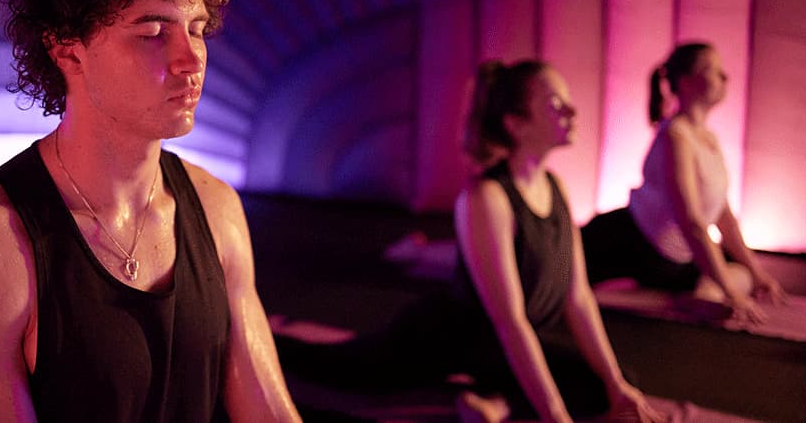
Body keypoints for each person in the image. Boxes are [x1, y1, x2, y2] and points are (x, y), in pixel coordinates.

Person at [0, 0, 301, 423]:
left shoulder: (217, 208)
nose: (191, 61)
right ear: (68, 50)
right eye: (153, 32)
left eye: (197, 28)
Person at [276, 61, 663, 423]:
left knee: (611, 383)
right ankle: (268, 337)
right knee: (334, 367)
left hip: (502, 345)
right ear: (516, 124)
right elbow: (509, 321)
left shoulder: (556, 187)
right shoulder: (487, 198)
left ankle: (496, 402)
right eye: (554, 104)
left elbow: (577, 296)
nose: (571, 112)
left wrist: (616, 384)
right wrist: (556, 416)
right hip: (448, 339)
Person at [581, 43, 787, 324]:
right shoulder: (675, 137)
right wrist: (729, 291)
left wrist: (758, 273)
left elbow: (723, 216)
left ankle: (693, 297)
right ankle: (693, 297)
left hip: (673, 259)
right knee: (561, 268)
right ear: (687, 82)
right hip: (631, 242)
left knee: (742, 274)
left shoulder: (707, 139)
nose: (723, 77)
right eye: (712, 70)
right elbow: (691, 220)